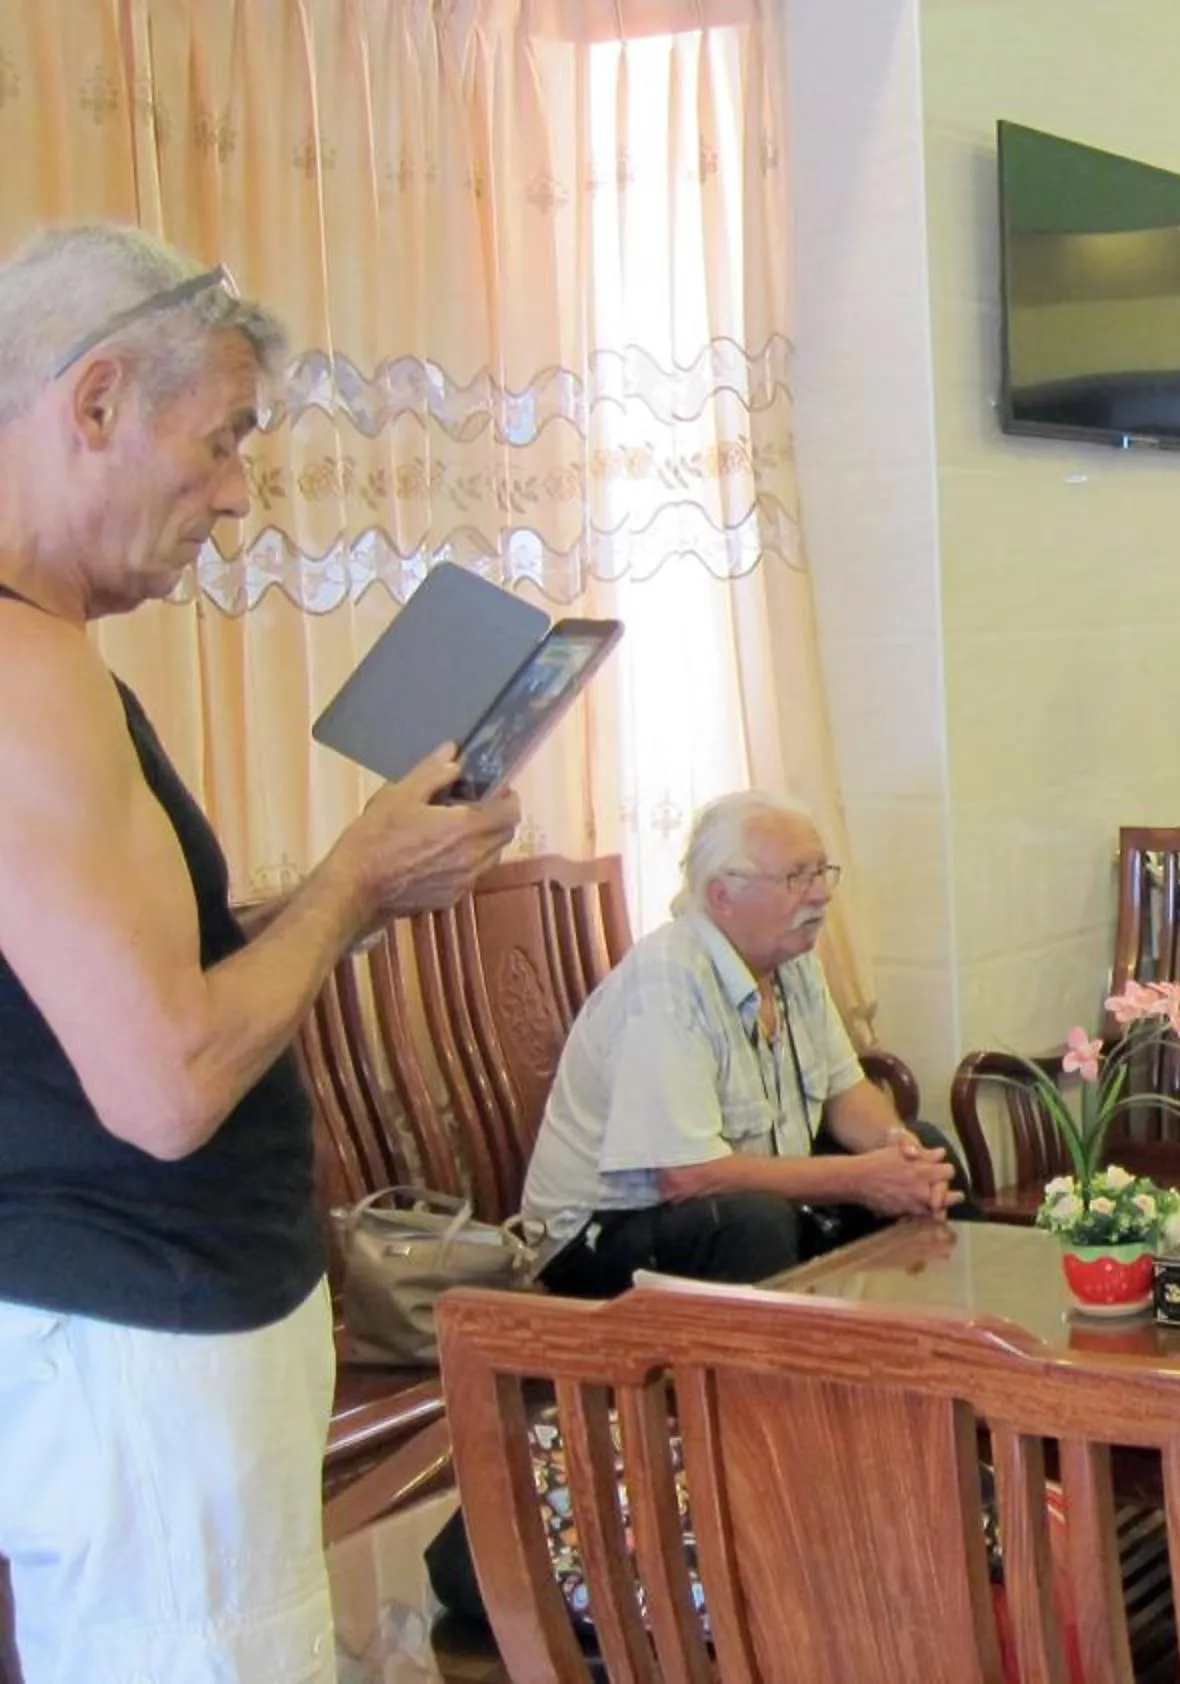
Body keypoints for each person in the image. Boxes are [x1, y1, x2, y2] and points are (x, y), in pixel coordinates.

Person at [0, 226, 522, 1683]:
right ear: (96, 401)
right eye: (223, 439)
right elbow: (164, 1087)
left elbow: (107, 983)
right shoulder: (26, 679)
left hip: (138, 1329)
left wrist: (354, 885)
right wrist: (353, 884)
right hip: (143, 1331)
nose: (236, 494)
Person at [522, 791, 962, 1296]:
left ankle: (951, 1337)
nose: (821, 894)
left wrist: (899, 1152)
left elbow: (845, 1092)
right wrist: (861, 1178)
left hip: (729, 1198)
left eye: (822, 871)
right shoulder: (667, 980)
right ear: (722, 896)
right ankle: (802, 1354)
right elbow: (687, 1176)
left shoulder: (794, 959)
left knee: (929, 1150)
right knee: (755, 1224)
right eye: (797, 877)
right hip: (601, 1234)